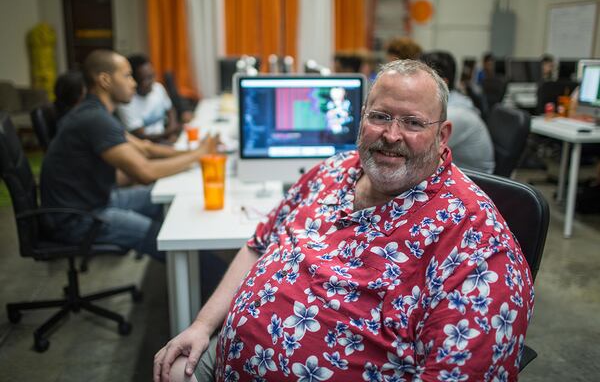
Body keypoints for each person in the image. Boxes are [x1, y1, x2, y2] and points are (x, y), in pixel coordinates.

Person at [154, 60, 533, 381]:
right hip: (227, 358)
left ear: (442, 135)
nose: (391, 134)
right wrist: (203, 325)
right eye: (379, 116)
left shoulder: (478, 245)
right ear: (361, 118)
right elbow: (259, 245)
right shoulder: (333, 170)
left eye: (413, 123)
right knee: (173, 369)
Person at [41, 49, 218, 262]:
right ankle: (227, 289)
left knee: (162, 197)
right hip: (77, 219)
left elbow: (146, 148)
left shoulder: (96, 112)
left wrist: (192, 153)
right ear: (105, 80)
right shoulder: (95, 119)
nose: (133, 83)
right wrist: (198, 155)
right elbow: (144, 171)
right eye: (127, 76)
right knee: (166, 237)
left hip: (97, 200)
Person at [421, 51, 495, 173]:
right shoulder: (450, 101)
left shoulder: (454, 114)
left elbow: (419, 154)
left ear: (442, 83)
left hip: (478, 182)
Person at [116, 54, 181, 143]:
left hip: (165, 137)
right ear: (133, 80)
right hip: (148, 144)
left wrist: (172, 134)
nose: (152, 82)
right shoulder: (126, 101)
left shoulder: (158, 88)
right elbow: (141, 136)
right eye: (145, 79)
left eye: (152, 76)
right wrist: (171, 131)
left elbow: (170, 110)